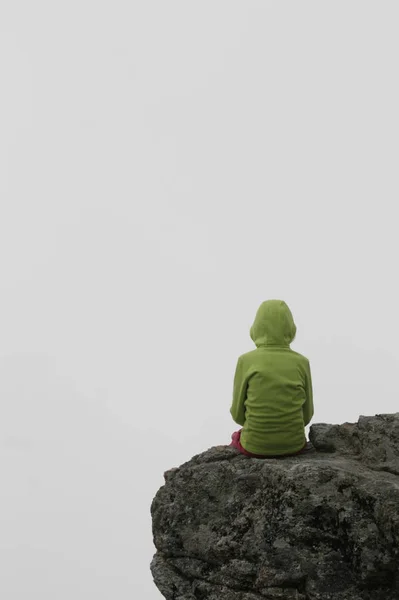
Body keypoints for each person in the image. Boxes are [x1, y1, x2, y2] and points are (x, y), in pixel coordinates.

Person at [230, 299, 314, 458]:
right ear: (290, 328)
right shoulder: (302, 362)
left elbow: (237, 414)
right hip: (294, 444)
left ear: (256, 327)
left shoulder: (245, 361)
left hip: (255, 446)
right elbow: (307, 414)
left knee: (236, 437)